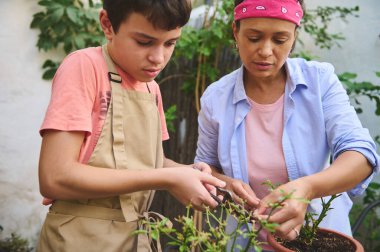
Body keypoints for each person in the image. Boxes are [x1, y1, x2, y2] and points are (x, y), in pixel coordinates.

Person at [37, 0, 226, 251]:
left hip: (135, 238)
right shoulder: (84, 67)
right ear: (107, 24)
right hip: (79, 239)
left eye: (170, 43)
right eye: (144, 42)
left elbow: (147, 163)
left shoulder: (152, 88)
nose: (158, 58)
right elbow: (55, 177)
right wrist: (168, 178)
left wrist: (186, 172)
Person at [195, 0, 379, 250]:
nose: (266, 51)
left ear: (295, 35)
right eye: (254, 37)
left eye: (280, 40)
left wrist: (307, 188)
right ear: (235, 32)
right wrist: (226, 185)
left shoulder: (319, 82)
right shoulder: (216, 99)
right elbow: (205, 170)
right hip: (247, 242)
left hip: (321, 240)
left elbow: (361, 155)